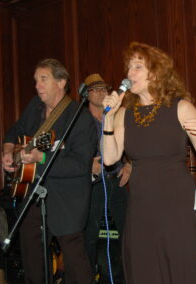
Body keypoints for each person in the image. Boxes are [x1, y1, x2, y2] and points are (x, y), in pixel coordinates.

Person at [102, 42, 196, 284]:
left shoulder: (181, 107)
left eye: (137, 67)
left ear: (155, 73)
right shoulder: (125, 113)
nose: (129, 74)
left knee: (181, 265)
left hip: (178, 202)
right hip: (142, 204)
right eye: (128, 68)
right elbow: (110, 158)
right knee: (145, 266)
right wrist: (108, 119)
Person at [1, 58, 96, 284]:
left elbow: (80, 165)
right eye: (36, 81)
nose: (37, 86)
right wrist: (8, 151)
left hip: (67, 199)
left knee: (75, 264)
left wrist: (41, 157)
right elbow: (15, 131)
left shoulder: (79, 118)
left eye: (44, 79)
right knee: (33, 261)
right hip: (32, 192)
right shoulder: (34, 107)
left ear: (61, 82)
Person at [83, 73, 130, 282]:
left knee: (127, 231)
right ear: (86, 94)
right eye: (95, 89)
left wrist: (130, 165)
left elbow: (134, 144)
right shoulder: (80, 120)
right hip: (92, 185)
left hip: (116, 180)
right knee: (90, 236)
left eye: (104, 88)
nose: (101, 92)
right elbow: (66, 154)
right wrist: (87, 166)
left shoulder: (118, 115)